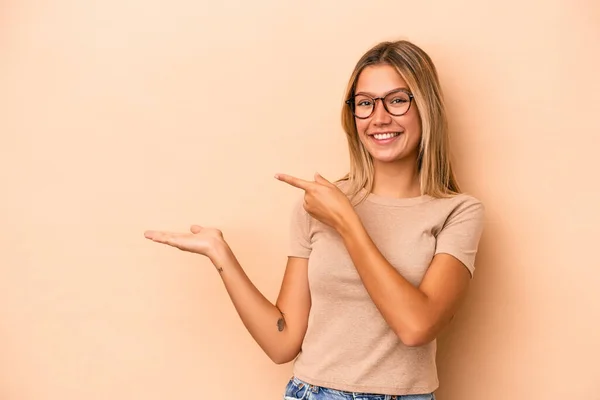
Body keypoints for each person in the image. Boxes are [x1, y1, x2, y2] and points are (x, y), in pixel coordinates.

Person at [144, 39, 485, 400]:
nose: (379, 118)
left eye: (397, 100)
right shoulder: (319, 206)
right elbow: (282, 342)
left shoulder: (458, 212)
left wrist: (348, 223)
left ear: (426, 107)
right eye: (365, 104)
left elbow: (416, 326)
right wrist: (221, 255)